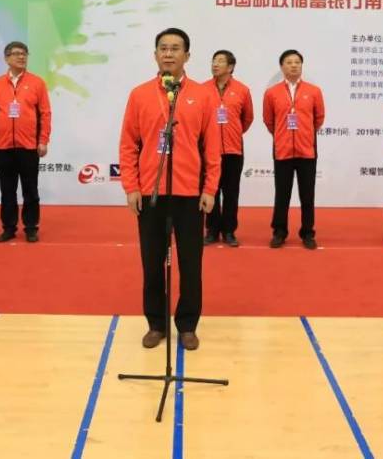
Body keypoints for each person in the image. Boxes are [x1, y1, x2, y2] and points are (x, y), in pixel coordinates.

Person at [119, 27, 220, 351]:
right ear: (155, 55)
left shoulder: (203, 95)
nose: (168, 53)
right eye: (163, 48)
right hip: (151, 193)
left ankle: (187, 325)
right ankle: (156, 324)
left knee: (190, 265)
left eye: (175, 48)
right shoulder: (139, 94)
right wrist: (131, 186)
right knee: (152, 264)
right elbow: (128, 145)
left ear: (187, 56)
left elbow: (212, 147)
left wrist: (210, 189)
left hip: (189, 194)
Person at [0, 42, 51, 243]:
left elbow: (45, 114)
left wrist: (43, 140)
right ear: (6, 58)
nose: (21, 57)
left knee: (30, 189)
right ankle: (9, 228)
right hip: (3, 147)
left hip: (28, 146)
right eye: (16, 54)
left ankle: (31, 227)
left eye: (24, 54)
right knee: (7, 190)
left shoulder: (37, 83)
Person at [263, 49, 325, 250]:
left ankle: (308, 232)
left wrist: (305, 133)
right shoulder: (272, 93)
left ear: (301, 66)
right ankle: (279, 231)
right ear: (282, 66)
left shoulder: (313, 91)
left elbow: (319, 118)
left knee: (307, 195)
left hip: (307, 150)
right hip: (282, 150)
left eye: (297, 62)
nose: (293, 65)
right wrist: (281, 135)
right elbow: (269, 120)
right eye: (289, 62)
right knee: (282, 194)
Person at [204, 49, 253, 247]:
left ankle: (229, 231)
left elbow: (247, 118)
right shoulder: (202, 89)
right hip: (209, 150)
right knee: (211, 191)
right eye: (213, 60)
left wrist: (234, 131)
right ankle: (212, 230)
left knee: (231, 193)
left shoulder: (242, 90)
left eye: (220, 61)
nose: (215, 64)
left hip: (233, 150)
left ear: (230, 67)